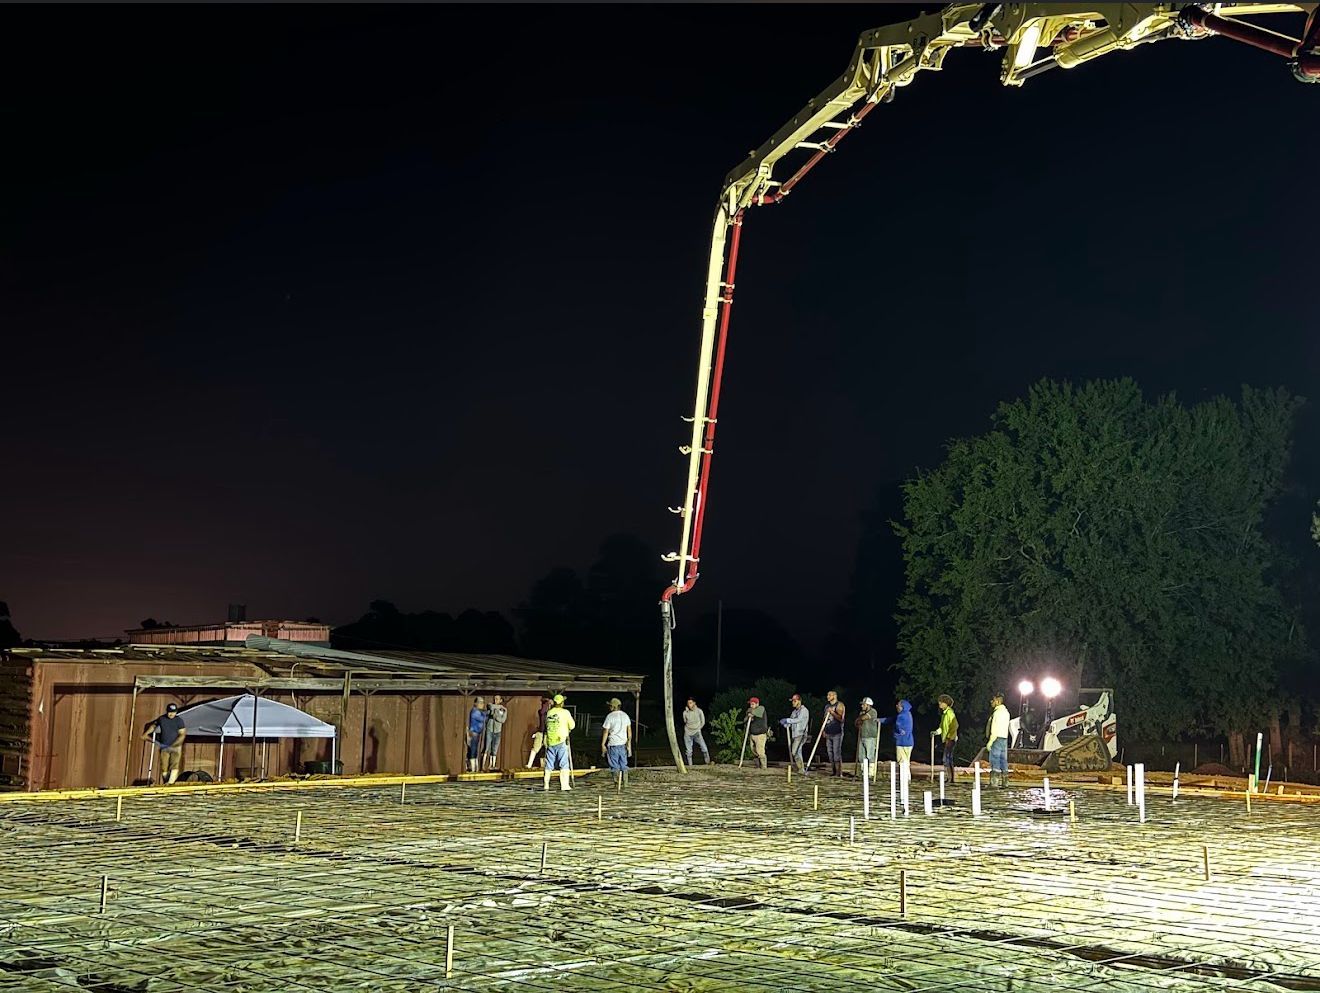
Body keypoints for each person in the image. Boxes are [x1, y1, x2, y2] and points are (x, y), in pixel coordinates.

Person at [143, 702, 187, 785]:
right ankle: (167, 782)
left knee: (174, 765)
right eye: (170, 712)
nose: (171, 714)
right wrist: (146, 734)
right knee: (164, 768)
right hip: (164, 746)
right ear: (167, 711)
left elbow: (182, 734)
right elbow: (153, 726)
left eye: (173, 712)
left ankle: (170, 783)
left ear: (176, 712)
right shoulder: (162, 719)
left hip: (176, 747)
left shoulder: (179, 721)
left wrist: (176, 744)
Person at [543, 693, 577, 792]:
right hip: (561, 740)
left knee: (549, 764)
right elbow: (572, 725)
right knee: (564, 763)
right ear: (562, 703)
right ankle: (564, 785)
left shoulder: (549, 713)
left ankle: (546, 784)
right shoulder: (565, 712)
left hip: (550, 741)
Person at [600, 697, 633, 787]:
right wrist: (629, 743)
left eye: (610, 706)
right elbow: (629, 731)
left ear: (612, 707)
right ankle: (625, 783)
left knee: (614, 765)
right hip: (623, 744)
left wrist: (603, 744)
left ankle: (616, 784)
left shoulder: (610, 716)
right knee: (624, 764)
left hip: (613, 744)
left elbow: (606, 731)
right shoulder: (625, 716)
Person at [881, 699, 914, 788]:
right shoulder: (908, 714)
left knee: (902, 761)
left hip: (902, 742)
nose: (896, 706)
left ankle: (905, 779)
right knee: (906, 761)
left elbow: (897, 725)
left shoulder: (901, 716)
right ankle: (907, 778)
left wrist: (898, 732)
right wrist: (880, 720)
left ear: (902, 706)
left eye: (898, 705)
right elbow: (890, 719)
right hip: (909, 742)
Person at [780, 693, 810, 774]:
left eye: (794, 701)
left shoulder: (804, 710)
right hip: (795, 734)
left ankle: (801, 769)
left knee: (795, 751)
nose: (793, 702)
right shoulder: (794, 712)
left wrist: (788, 720)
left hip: (801, 734)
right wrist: (787, 724)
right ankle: (801, 769)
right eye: (792, 701)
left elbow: (799, 719)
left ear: (799, 701)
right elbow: (791, 720)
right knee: (798, 751)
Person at [987, 691, 1011, 787]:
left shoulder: (997, 713)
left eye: (992, 700)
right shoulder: (1006, 712)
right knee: (1003, 760)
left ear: (997, 701)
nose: (991, 702)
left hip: (996, 739)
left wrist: (990, 741)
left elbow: (995, 728)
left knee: (995, 760)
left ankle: (994, 783)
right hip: (1004, 738)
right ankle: (1005, 782)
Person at [822, 690, 847, 777]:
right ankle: (834, 771)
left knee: (836, 753)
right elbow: (824, 718)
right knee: (830, 753)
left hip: (837, 733)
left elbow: (841, 719)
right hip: (828, 732)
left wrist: (832, 712)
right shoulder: (827, 706)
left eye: (829, 695)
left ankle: (839, 773)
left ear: (835, 696)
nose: (827, 696)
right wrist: (823, 730)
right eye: (827, 695)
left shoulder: (839, 705)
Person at [855, 696, 881, 775]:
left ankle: (871, 773)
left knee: (870, 755)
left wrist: (859, 719)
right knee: (861, 756)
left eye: (863, 704)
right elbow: (857, 722)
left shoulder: (873, 711)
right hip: (862, 736)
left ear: (868, 705)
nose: (862, 706)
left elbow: (864, 718)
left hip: (870, 736)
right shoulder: (861, 713)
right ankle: (864, 772)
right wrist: (858, 720)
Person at [681, 697, 712, 766]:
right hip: (688, 733)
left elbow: (703, 721)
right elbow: (685, 721)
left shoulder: (699, 711)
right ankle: (690, 765)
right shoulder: (685, 712)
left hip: (697, 732)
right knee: (689, 751)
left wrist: (698, 729)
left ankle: (708, 762)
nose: (689, 705)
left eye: (690, 703)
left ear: (694, 703)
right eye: (688, 703)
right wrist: (687, 712)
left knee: (704, 748)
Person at [936, 693, 959, 782]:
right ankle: (949, 778)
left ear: (946, 703)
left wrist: (949, 737)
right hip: (948, 739)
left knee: (947, 758)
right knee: (947, 758)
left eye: (941, 702)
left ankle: (950, 778)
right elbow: (942, 727)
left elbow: (955, 725)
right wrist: (937, 732)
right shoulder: (944, 714)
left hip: (951, 739)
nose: (939, 704)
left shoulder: (950, 713)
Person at [484, 694, 508, 771]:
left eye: (497, 699)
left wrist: (496, 717)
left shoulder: (503, 710)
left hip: (498, 731)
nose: (495, 700)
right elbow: (490, 706)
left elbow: (503, 720)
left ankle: (492, 765)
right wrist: (497, 708)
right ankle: (483, 765)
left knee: (494, 749)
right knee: (486, 747)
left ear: (501, 700)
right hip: (490, 729)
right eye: (495, 699)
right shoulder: (491, 706)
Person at [527, 694, 551, 768]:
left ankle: (547, 765)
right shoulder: (541, 711)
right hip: (541, 732)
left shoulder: (551, 713)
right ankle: (529, 764)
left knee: (549, 750)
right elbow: (542, 711)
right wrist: (547, 703)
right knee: (535, 749)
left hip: (548, 733)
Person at [745, 696, 769, 769]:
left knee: (760, 751)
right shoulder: (751, 711)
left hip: (760, 735)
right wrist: (748, 715)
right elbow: (745, 719)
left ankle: (764, 766)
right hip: (753, 734)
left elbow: (754, 712)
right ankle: (758, 765)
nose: (751, 706)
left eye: (752, 704)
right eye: (750, 704)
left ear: (757, 704)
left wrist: (750, 712)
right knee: (753, 750)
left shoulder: (761, 708)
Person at [466, 696, 487, 773]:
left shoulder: (479, 711)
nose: (482, 704)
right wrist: (486, 714)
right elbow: (482, 718)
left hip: (477, 733)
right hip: (473, 733)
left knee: (475, 750)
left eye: (483, 703)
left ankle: (475, 767)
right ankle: (472, 767)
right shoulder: (475, 712)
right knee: (473, 750)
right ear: (475, 703)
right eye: (480, 702)